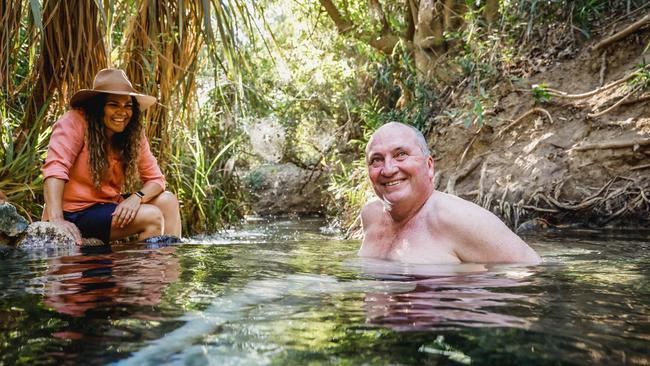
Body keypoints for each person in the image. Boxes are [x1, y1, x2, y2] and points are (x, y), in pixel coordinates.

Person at [359, 122, 541, 264]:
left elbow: (532, 271)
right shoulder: (371, 216)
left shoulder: (459, 218)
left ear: (429, 166)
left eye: (401, 154)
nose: (388, 169)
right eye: (377, 160)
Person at [42, 68, 181, 245]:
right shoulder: (74, 121)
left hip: (107, 206)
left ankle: (167, 268)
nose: (122, 112)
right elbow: (54, 169)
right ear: (98, 107)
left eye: (128, 105)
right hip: (74, 212)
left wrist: (136, 197)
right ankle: (147, 272)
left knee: (168, 201)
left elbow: (156, 180)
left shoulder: (132, 133)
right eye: (113, 105)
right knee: (151, 216)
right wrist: (56, 219)